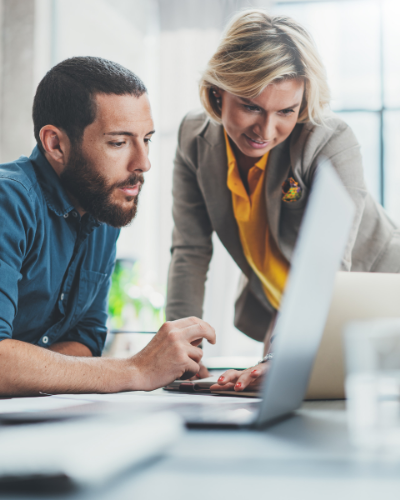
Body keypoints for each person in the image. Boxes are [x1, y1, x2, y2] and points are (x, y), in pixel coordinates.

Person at [165, 10, 400, 392]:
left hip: (378, 298)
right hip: (288, 308)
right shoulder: (193, 138)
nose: (266, 130)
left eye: (286, 111)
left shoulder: (329, 140)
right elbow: (190, 251)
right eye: (251, 106)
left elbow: (327, 270)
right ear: (217, 91)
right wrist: (178, 353)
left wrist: (282, 356)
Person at [0, 56, 215, 396]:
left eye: (146, 139)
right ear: (56, 144)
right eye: (118, 142)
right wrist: (136, 369)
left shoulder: (102, 208)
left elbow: (84, 340)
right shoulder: (8, 201)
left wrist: (23, 371)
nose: (142, 163)